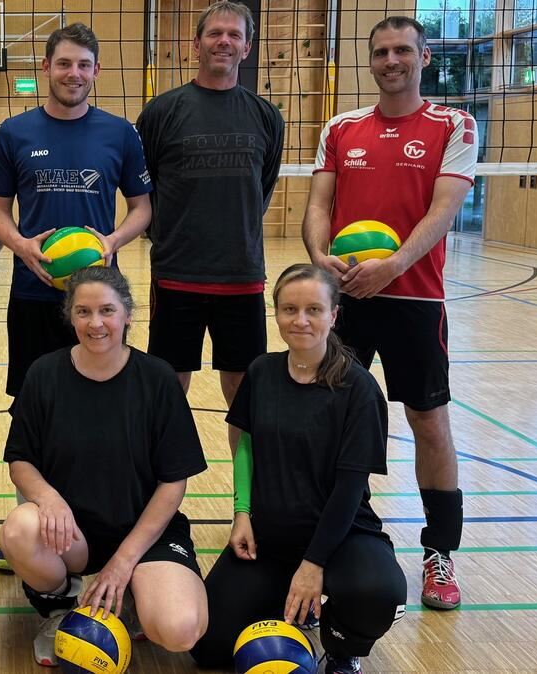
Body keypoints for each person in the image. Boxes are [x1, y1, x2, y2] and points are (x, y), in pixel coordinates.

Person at [302, 16, 476, 610]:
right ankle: (327, 531)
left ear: (424, 56)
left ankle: (440, 551)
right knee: (326, 416)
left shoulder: (454, 124)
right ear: (370, 60)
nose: (391, 59)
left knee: (429, 423)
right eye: (381, 51)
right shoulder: (342, 127)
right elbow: (319, 205)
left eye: (403, 49)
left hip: (414, 300)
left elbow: (443, 212)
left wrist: (392, 266)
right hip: (345, 296)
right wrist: (320, 257)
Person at [191, 264, 407, 674]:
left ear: (333, 316)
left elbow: (349, 488)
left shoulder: (358, 389)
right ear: (276, 314)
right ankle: (286, 603)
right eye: (289, 309)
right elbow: (244, 446)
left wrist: (314, 564)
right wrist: (242, 513)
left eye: (313, 309)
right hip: (270, 536)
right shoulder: (262, 371)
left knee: (379, 593)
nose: (300, 320)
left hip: (341, 535)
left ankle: (342, 647)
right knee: (210, 646)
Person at [0, 266, 209, 667]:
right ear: (70, 316)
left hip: (145, 532)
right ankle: (61, 607)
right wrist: (48, 498)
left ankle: (130, 591)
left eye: (107, 311)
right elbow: (21, 459)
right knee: (21, 528)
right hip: (73, 535)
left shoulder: (157, 378)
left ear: (128, 315)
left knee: (179, 629)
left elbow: (172, 482)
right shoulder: (44, 374)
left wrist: (123, 561)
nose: (95, 323)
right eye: (83, 312)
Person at [136, 0, 284, 457]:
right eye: (215, 33)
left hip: (241, 276)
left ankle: (247, 501)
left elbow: (262, 188)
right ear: (194, 43)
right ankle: (153, 492)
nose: (224, 41)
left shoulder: (266, 116)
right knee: (167, 387)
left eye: (234, 35)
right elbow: (147, 188)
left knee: (244, 394)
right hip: (177, 272)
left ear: (247, 46)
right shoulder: (161, 112)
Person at [0, 22, 152, 403]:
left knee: (103, 399)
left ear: (96, 70)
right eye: (63, 64)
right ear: (46, 67)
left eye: (83, 65)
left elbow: (142, 208)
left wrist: (112, 240)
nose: (73, 74)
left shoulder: (120, 133)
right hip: (34, 289)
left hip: (100, 293)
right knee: (33, 400)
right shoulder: (13, 132)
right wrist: (22, 246)